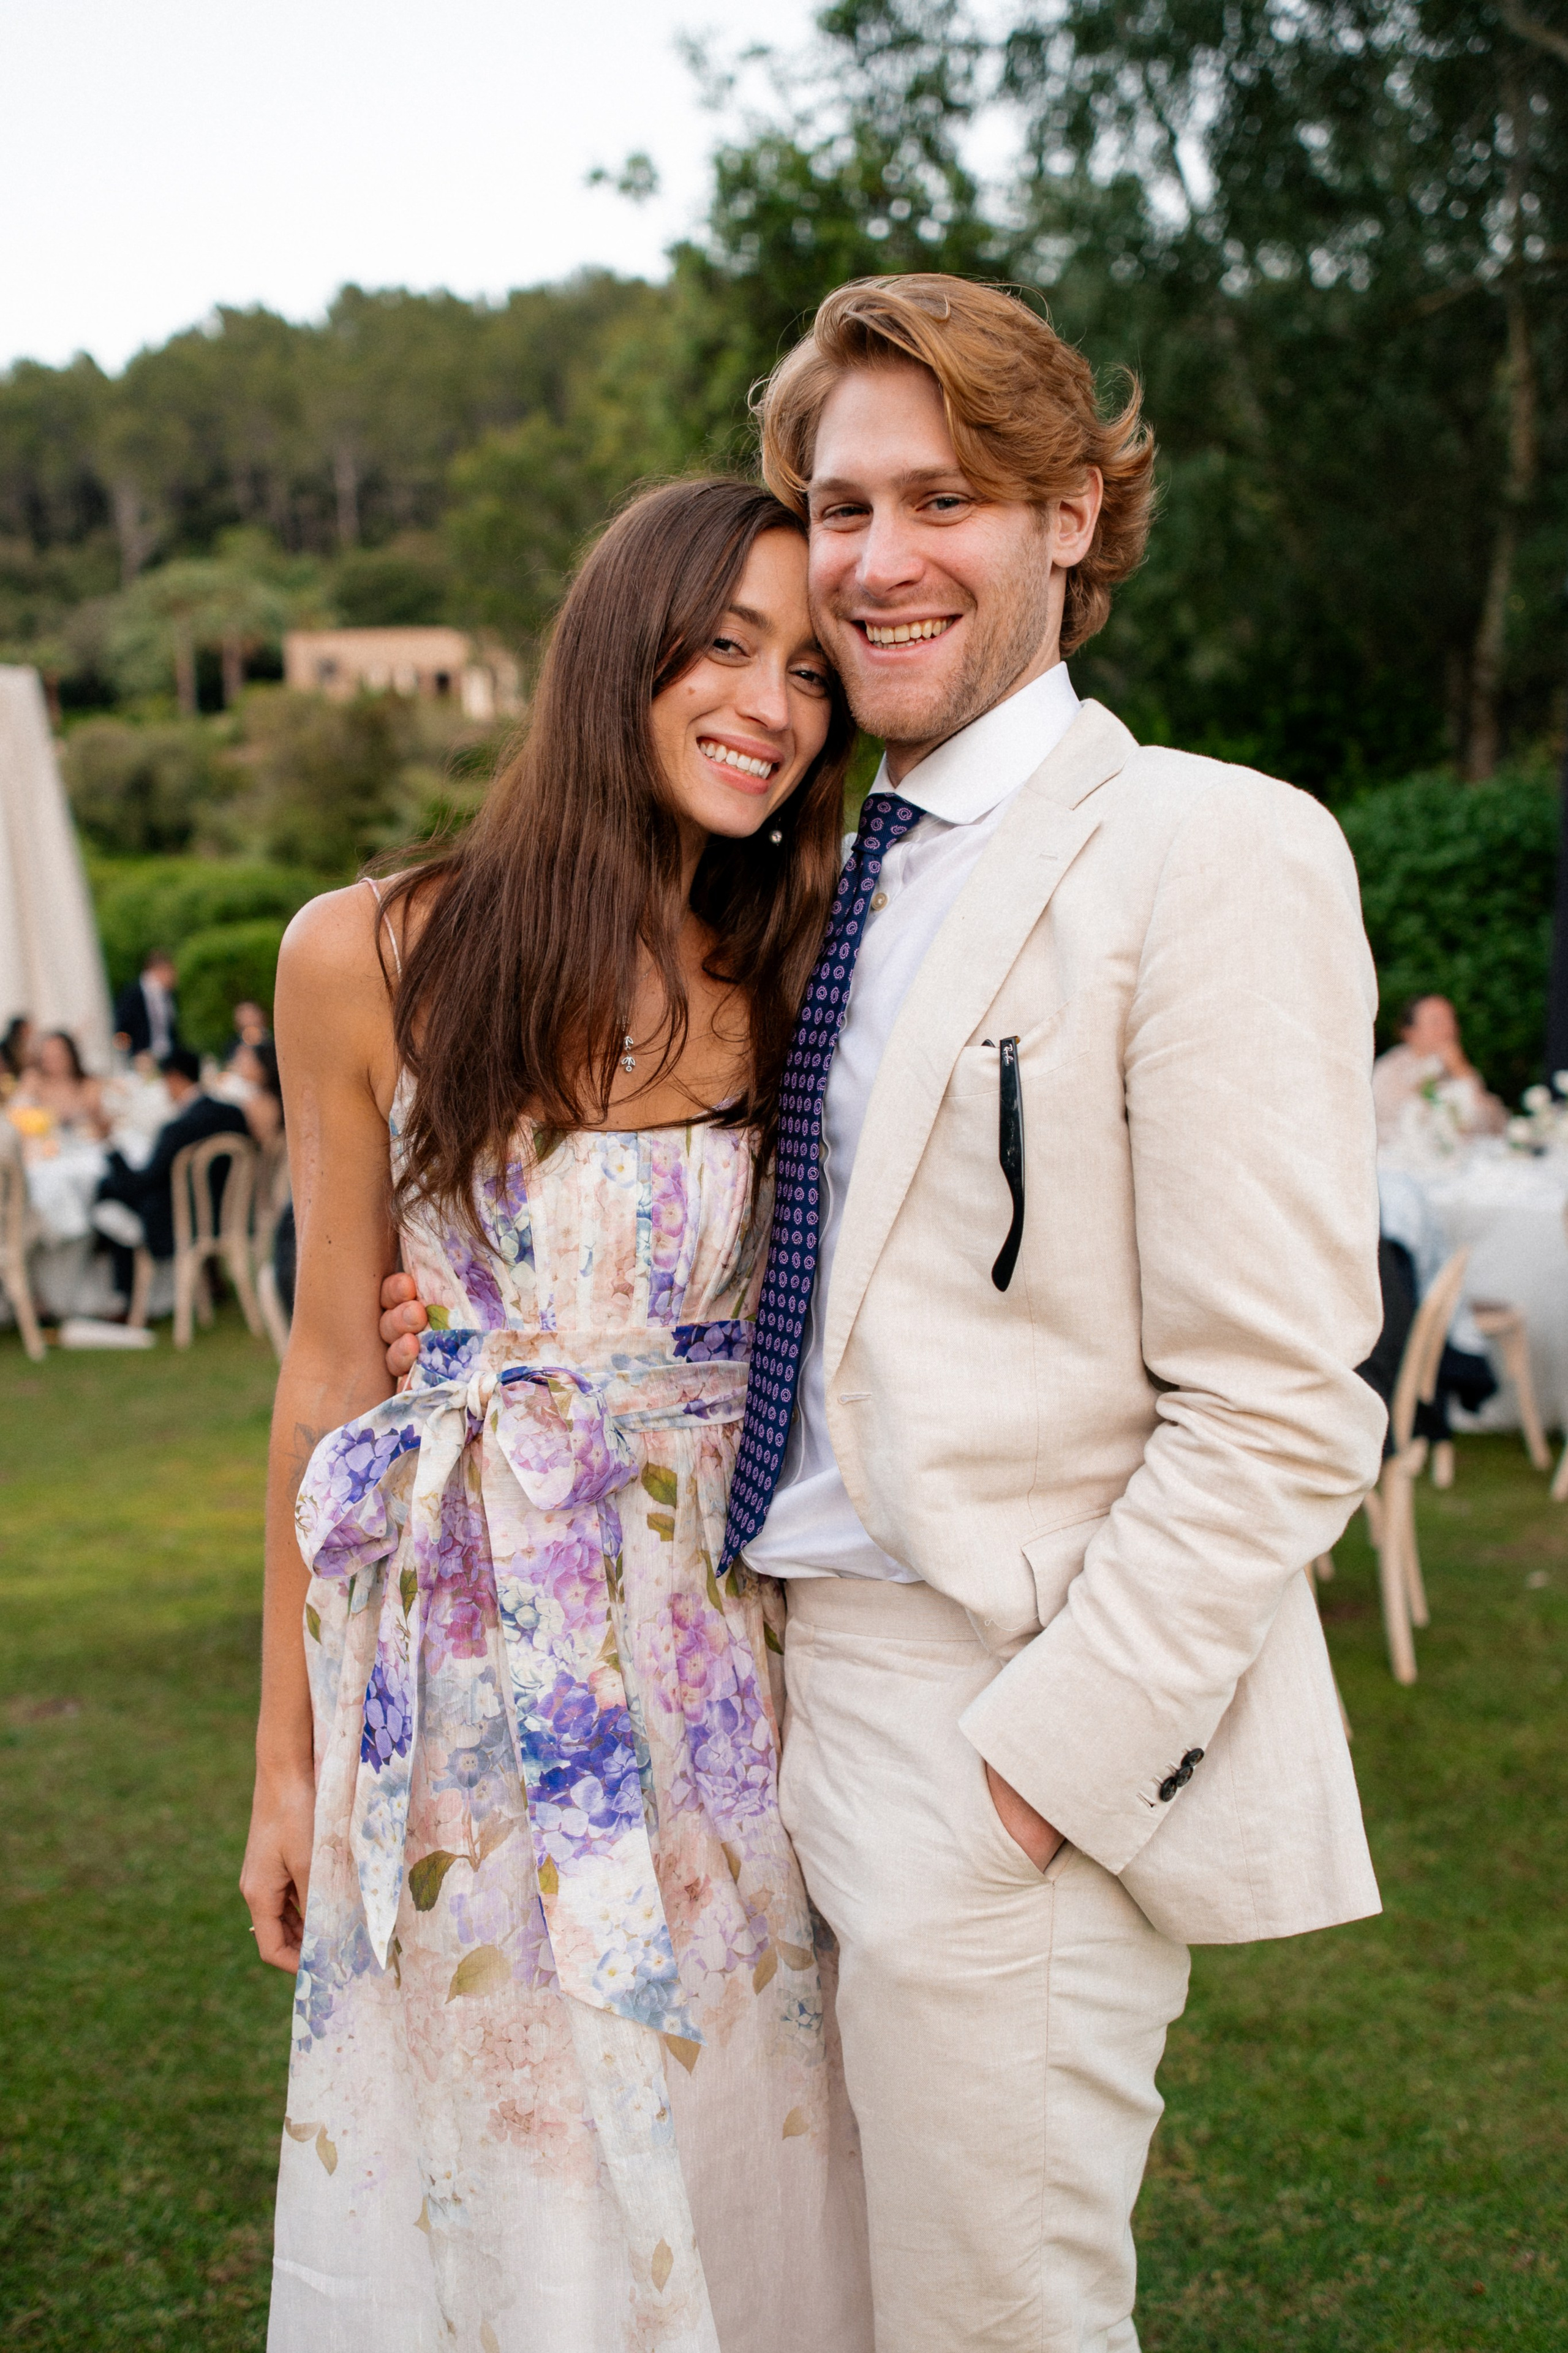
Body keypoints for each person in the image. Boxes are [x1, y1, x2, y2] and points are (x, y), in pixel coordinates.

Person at [371, 274, 1390, 2353]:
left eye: (950, 498)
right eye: (842, 509)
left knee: (986, 2323)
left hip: (987, 1727)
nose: (882, 559)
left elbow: (1287, 1402)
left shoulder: (1207, 846)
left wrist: (1038, 1767)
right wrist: (490, 1330)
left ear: (1076, 521)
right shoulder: (819, 876)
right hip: (735, 1711)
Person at [241, 480, 872, 2352]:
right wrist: (283, 1763)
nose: (775, 703)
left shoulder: (799, 957)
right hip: (453, 1670)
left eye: (816, 672)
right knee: (498, 2137)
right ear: (618, 646)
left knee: (729, 2119)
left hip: (723, 1672)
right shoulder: (362, 950)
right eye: (730, 645)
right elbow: (323, 1378)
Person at [91, 1044, 249, 1297]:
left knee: (107, 1192)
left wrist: (110, 1145)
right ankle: (210, 1280)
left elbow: (141, 1183)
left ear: (174, 1078)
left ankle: (127, 1294)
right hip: (233, 1213)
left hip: (182, 1221)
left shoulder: (177, 1129)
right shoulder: (234, 1114)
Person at [1372, 992, 1506, 1147]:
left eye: (1451, 1020)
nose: (1449, 1029)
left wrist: (1461, 1071)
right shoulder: (1389, 1071)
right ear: (1410, 1032)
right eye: (1436, 1022)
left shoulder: (1458, 1068)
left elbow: (1496, 1124)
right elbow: (1401, 1123)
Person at [9, 1029, 109, 1140]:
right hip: (45, 1147)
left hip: (85, 1147)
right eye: (48, 1055)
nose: (52, 1060)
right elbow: (16, 1111)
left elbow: (104, 1124)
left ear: (71, 1055)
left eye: (58, 1055)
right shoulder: (34, 1080)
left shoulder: (88, 1084)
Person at [113, 950, 181, 1062]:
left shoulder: (168, 996)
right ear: (160, 971)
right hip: (143, 1060)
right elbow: (120, 1031)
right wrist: (133, 1054)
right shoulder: (133, 995)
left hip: (168, 1058)